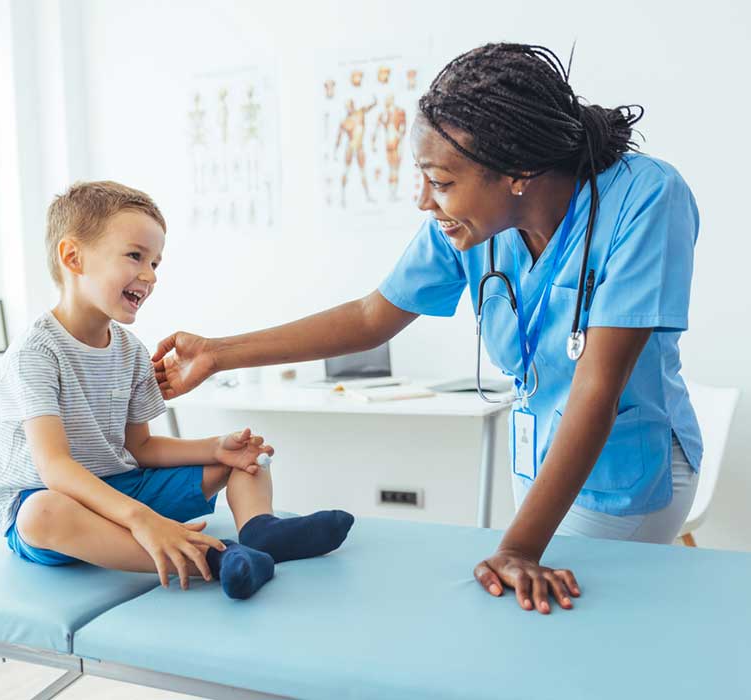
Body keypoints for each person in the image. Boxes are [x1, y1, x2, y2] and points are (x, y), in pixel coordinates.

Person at [152, 43, 703, 614]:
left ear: (517, 173)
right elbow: (372, 316)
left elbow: (597, 389)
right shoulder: (468, 223)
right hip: (540, 464)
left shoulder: (647, 199)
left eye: (439, 181)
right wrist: (218, 353)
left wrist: (515, 546)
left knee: (569, 637)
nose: (423, 200)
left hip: (623, 472)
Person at [0, 181, 354, 599]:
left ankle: (260, 530)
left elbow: (140, 447)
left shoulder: (129, 351)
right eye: (135, 256)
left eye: (156, 263)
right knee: (41, 514)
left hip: (122, 486)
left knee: (246, 458)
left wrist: (217, 448)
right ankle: (213, 558)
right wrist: (142, 518)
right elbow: (54, 467)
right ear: (73, 257)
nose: (150, 275)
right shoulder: (36, 352)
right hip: (59, 500)